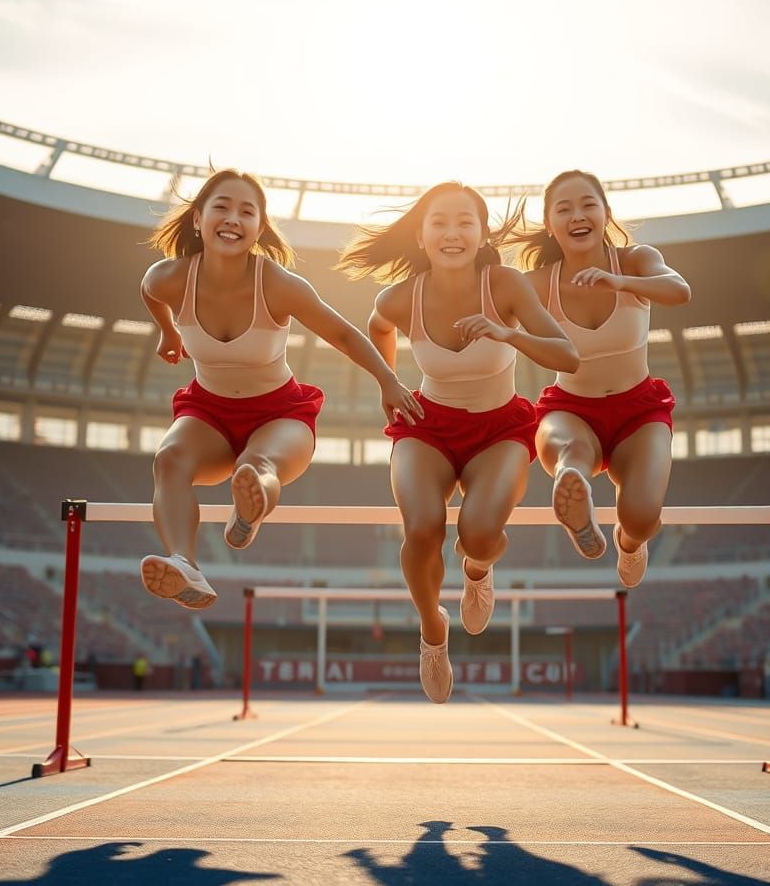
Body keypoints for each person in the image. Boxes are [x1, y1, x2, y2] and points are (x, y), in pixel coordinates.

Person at [337, 181, 578, 703]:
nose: (453, 233)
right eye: (439, 222)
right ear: (421, 236)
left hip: (500, 430)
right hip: (426, 425)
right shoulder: (400, 298)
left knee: (478, 533)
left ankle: (477, 570)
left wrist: (508, 332)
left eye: (465, 221)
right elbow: (377, 326)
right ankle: (431, 631)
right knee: (422, 528)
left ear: (483, 232)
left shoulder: (507, 284)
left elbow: (568, 356)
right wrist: (387, 380)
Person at [139, 169, 421, 609]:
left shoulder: (277, 283)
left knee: (258, 462)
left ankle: (251, 506)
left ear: (258, 230)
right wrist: (169, 333)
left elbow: (344, 334)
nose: (233, 218)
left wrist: (388, 379)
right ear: (198, 220)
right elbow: (150, 292)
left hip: (279, 415)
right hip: (208, 414)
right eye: (222, 207)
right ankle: (185, 564)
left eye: (247, 212)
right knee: (169, 459)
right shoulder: (170, 278)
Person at [508, 169, 690, 587]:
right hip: (571, 410)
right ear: (550, 226)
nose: (577, 216)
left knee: (642, 518)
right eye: (564, 209)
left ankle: (630, 543)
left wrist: (619, 281)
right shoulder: (537, 284)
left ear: (606, 213)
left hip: (638, 412)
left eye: (588, 205)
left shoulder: (635, 259)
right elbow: (487, 309)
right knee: (570, 450)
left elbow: (680, 290)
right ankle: (574, 487)